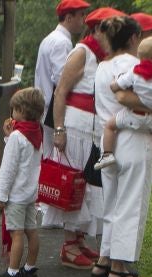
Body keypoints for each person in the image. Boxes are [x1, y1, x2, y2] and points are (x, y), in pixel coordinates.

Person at [49, 8, 114, 270]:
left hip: (94, 129)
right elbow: (61, 91)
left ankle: (79, 239)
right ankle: (69, 245)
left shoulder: (104, 58)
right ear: (97, 30)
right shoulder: (81, 53)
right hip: (76, 127)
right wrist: (59, 129)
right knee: (73, 184)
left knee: (87, 186)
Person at [95, 14, 152, 277]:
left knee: (112, 203)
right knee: (130, 203)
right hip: (131, 135)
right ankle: (119, 265)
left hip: (106, 140)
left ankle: (104, 257)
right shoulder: (138, 66)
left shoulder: (101, 67)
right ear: (133, 38)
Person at [95, 35, 152, 171]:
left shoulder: (134, 72)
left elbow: (119, 84)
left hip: (133, 115)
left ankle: (107, 154)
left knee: (110, 126)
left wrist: (114, 86)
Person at [0, 87, 45, 277]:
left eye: (14, 109)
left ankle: (13, 272)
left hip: (15, 195)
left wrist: (1, 196)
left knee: (16, 233)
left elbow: (9, 168)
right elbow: (25, 160)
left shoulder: (17, 137)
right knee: (31, 231)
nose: (11, 112)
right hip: (30, 193)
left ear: (22, 110)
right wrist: (9, 135)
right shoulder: (36, 133)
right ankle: (30, 268)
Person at [35, 0, 90, 163]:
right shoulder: (62, 42)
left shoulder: (52, 38)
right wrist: (83, 72)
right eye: (81, 15)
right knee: (54, 161)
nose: (84, 20)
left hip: (46, 107)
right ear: (68, 17)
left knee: (49, 157)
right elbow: (62, 80)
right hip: (52, 109)